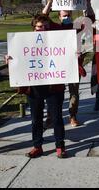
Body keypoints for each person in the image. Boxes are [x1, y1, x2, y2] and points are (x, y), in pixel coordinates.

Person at [6, 14, 67, 159]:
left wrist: (73, 55)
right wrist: (10, 59)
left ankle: (60, 146)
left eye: (46, 26)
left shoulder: (57, 42)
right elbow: (18, 59)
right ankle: (37, 146)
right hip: (33, 87)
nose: (43, 29)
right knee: (36, 118)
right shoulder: (23, 43)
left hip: (53, 86)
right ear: (34, 27)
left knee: (57, 117)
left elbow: (65, 56)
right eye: (40, 26)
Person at [42, 0, 95, 128]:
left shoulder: (77, 27)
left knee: (74, 93)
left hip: (74, 65)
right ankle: (50, 116)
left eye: (68, 15)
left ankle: (72, 115)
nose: (66, 18)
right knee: (52, 92)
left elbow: (90, 19)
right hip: (56, 66)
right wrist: (49, 2)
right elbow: (42, 19)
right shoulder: (55, 28)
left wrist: (87, 2)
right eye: (64, 15)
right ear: (59, 16)